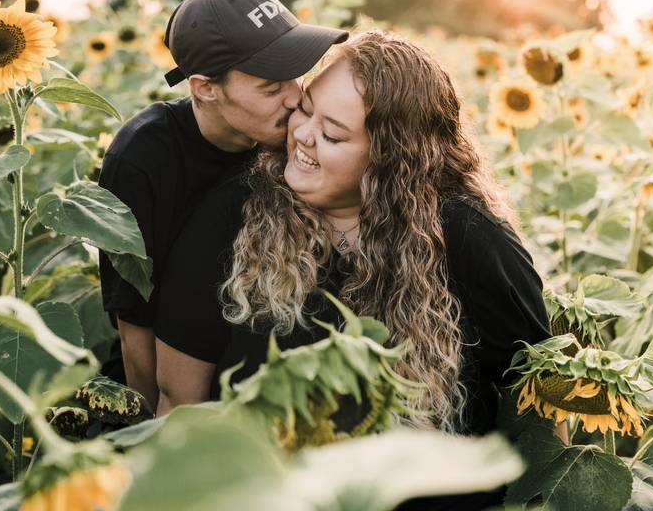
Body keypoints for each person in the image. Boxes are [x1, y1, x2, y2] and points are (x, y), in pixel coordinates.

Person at [155, 28, 550, 426]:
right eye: (305, 110)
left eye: (332, 134)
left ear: (390, 163)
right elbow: (177, 399)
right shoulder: (236, 212)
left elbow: (541, 398)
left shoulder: (465, 234)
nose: (304, 135)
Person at [98, 0, 348, 411]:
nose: (295, 99)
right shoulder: (143, 161)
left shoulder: (297, 133)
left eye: (295, 75)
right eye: (271, 88)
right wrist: (147, 439)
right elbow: (134, 325)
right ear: (205, 89)